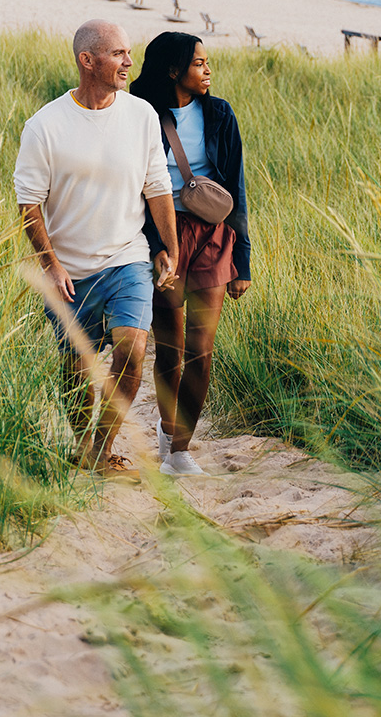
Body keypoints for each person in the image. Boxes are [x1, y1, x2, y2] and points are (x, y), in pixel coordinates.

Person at [16, 20, 180, 475]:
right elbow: (29, 202)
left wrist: (169, 246)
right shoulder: (44, 126)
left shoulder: (142, 115)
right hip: (68, 270)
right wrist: (50, 264)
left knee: (132, 350)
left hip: (127, 257)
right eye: (119, 54)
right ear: (87, 61)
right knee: (75, 367)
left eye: (130, 53)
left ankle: (100, 449)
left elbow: (157, 184)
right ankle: (80, 437)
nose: (130, 62)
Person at [130, 32, 252, 477]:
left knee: (202, 349)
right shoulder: (142, 115)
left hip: (216, 235)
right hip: (164, 235)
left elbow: (236, 188)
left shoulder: (220, 113)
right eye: (199, 63)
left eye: (207, 62)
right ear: (172, 70)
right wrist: (157, 244)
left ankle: (179, 449)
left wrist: (243, 261)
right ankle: (166, 427)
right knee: (171, 347)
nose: (208, 70)